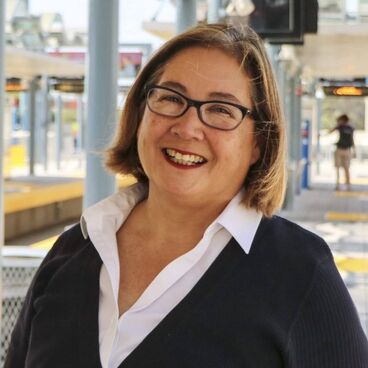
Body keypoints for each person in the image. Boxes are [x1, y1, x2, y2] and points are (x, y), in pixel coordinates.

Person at [5, 24, 368, 368]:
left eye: (221, 109)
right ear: (140, 113)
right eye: (170, 98)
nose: (188, 126)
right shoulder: (71, 252)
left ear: (258, 143)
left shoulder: (302, 274)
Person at [330, 114, 355, 191]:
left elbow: (330, 131)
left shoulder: (340, 127)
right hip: (347, 149)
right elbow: (352, 140)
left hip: (340, 149)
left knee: (340, 167)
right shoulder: (350, 128)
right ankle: (346, 185)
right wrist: (354, 150)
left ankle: (339, 185)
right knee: (345, 168)